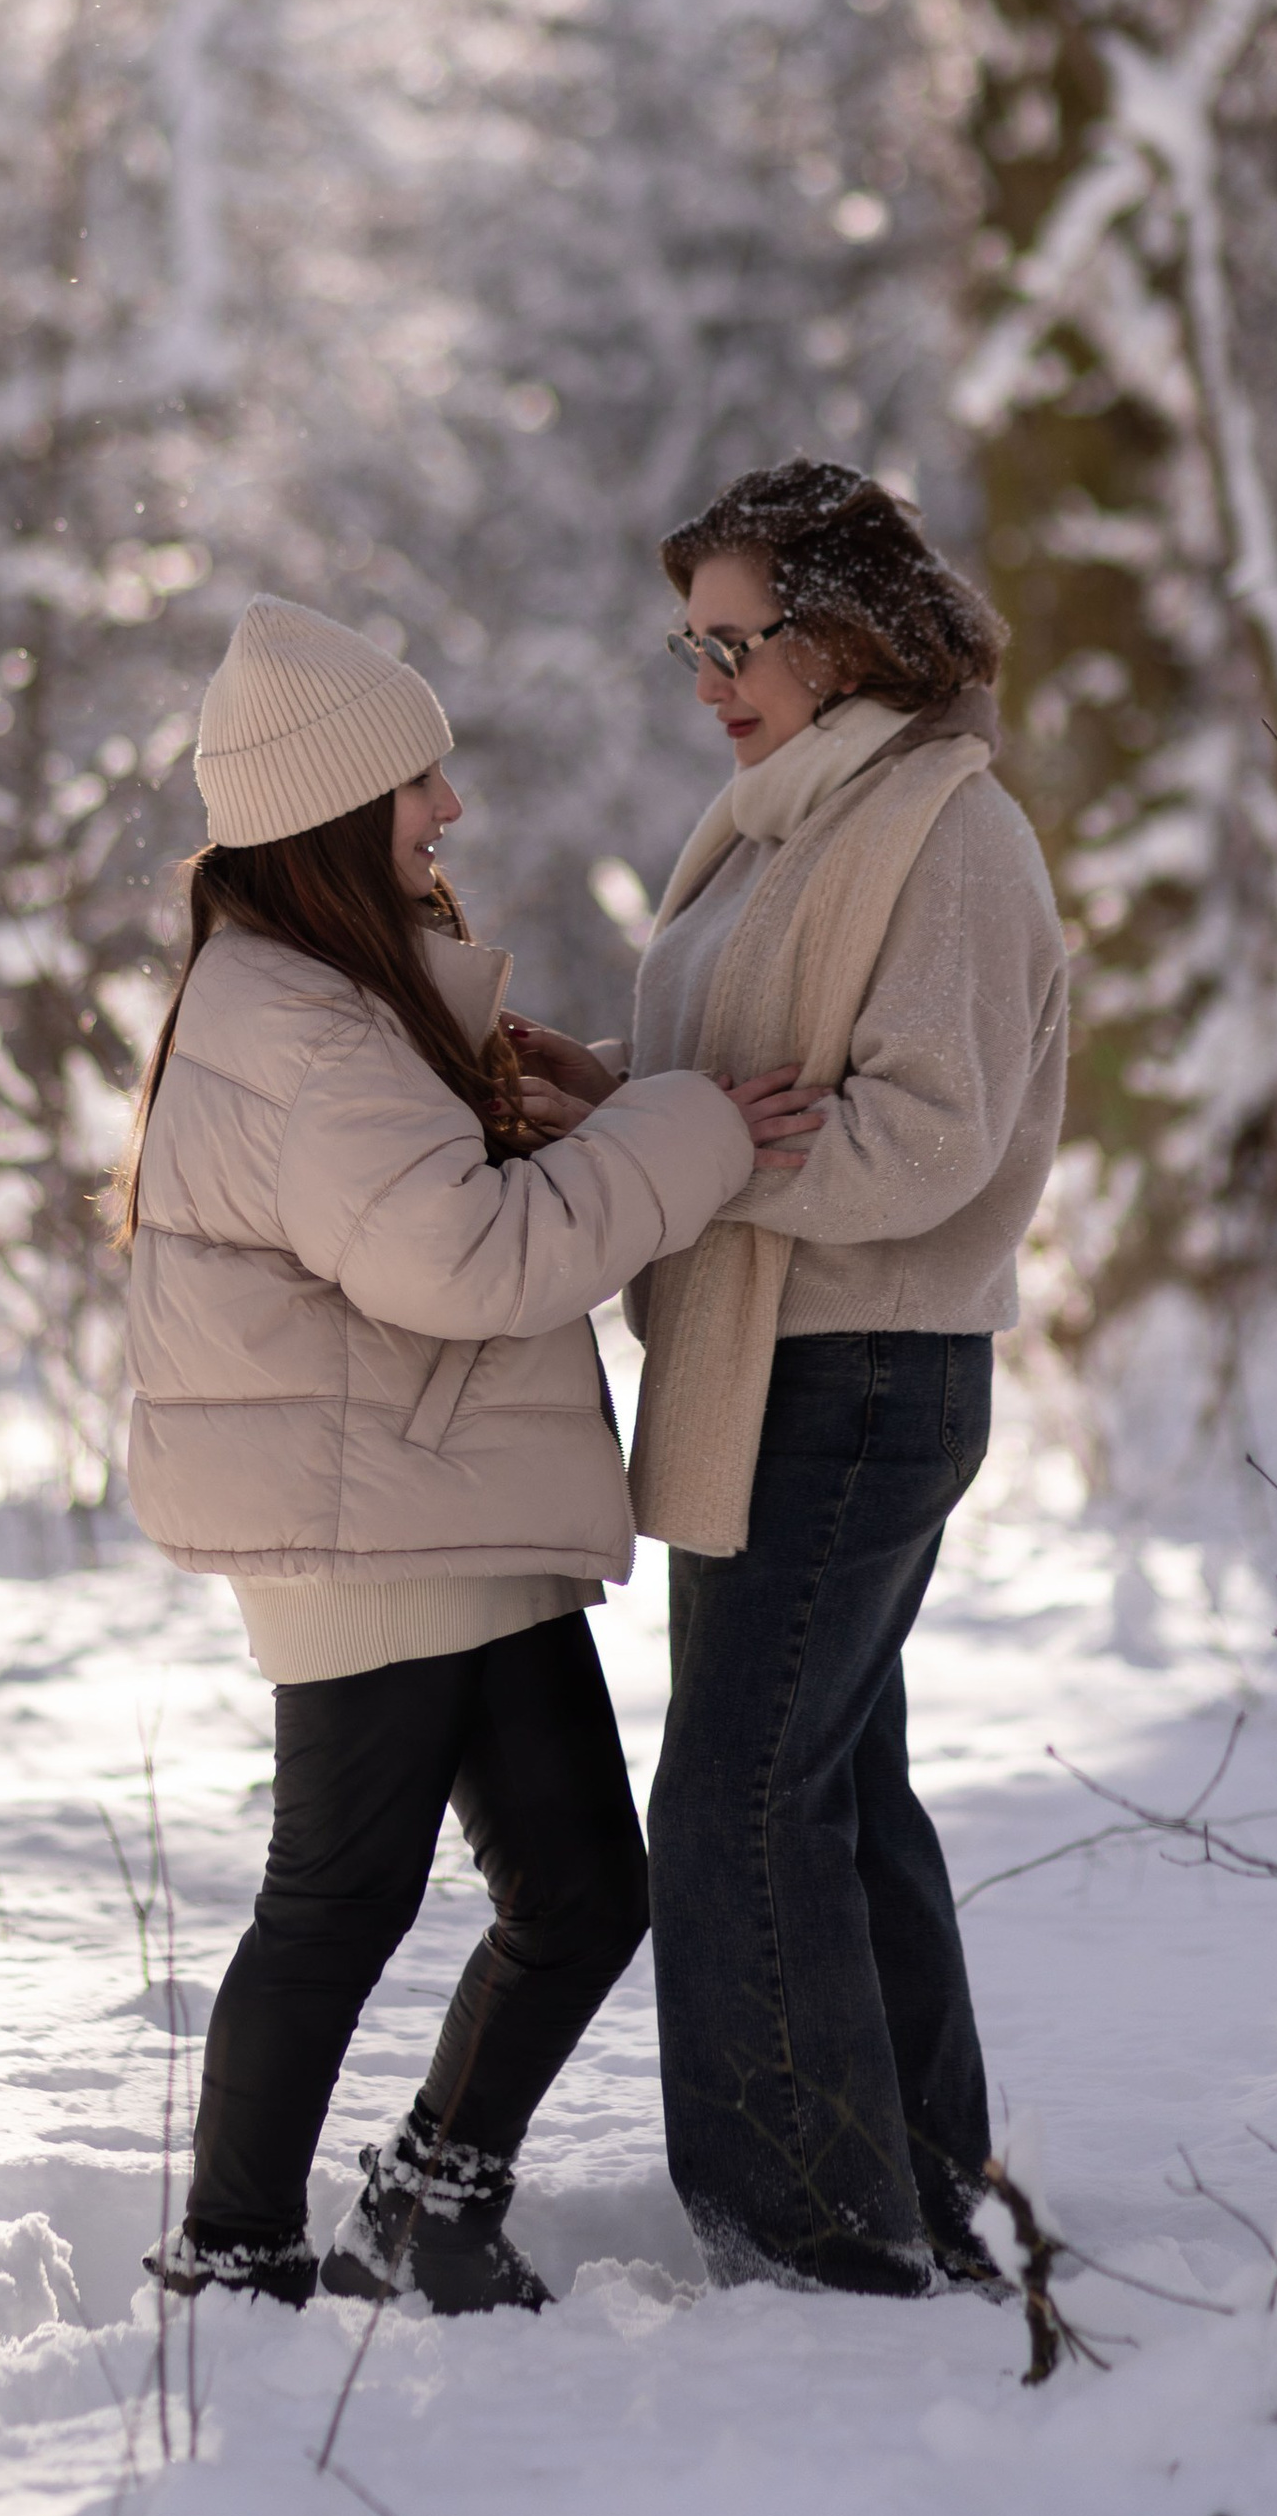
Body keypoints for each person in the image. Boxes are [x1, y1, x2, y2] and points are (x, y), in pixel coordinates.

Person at [112, 594, 822, 2316]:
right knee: (340, 1901)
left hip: (435, 1499)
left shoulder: (337, 998)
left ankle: (431, 2201)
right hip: (371, 1529)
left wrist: (566, 1105)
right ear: (333, 819)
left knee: (581, 1888)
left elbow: (442, 1204)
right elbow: (466, 1258)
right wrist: (687, 1131)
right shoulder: (303, 1025)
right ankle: (230, 2260)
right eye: (420, 785)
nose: (450, 813)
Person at [505, 464, 1067, 2296]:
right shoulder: (785, 823)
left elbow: (924, 1140)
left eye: (736, 640)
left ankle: (813, 2227)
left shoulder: (946, 833)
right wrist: (605, 1097)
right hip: (779, 1369)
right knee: (829, 1786)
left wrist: (688, 1150)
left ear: (842, 634)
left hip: (865, 1371)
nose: (707, 680)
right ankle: (928, 2184)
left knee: (737, 1797)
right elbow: (737, 1083)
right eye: (694, 645)